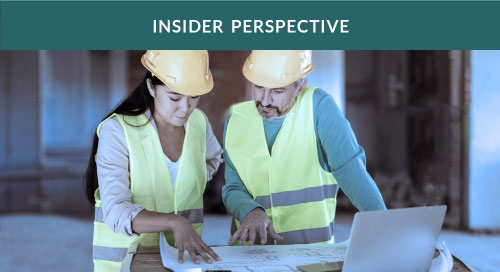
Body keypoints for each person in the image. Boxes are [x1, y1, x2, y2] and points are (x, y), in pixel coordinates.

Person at [222, 50, 387, 246]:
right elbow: (233, 187)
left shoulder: (318, 108)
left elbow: (352, 171)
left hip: (310, 257)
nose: (265, 101)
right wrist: (250, 210)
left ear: (300, 85)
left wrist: (385, 229)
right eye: (258, 87)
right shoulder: (236, 120)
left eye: (277, 91)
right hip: (249, 255)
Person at [84, 50, 222, 271]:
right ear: (151, 86)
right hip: (125, 263)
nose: (185, 108)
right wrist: (174, 221)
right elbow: (116, 211)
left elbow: (213, 158)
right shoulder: (118, 130)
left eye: (194, 97)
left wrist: (188, 181)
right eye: (174, 98)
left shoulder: (198, 123)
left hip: (181, 259)